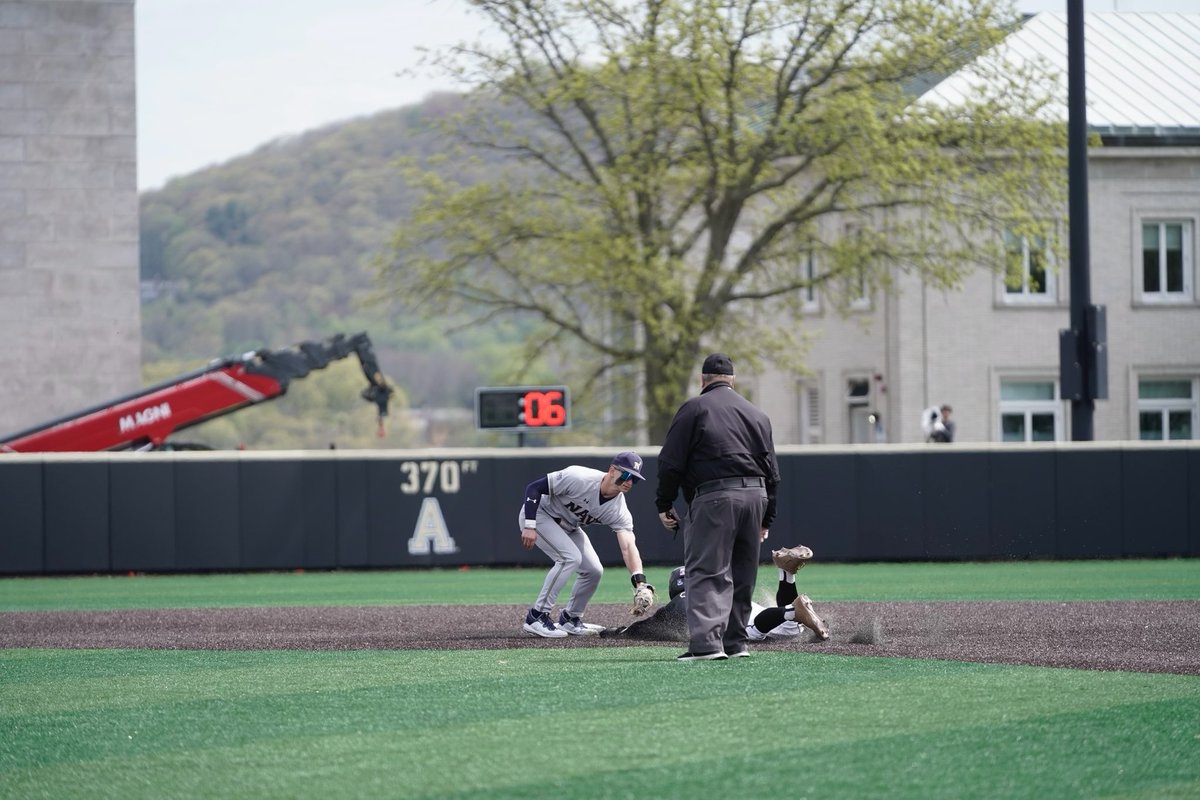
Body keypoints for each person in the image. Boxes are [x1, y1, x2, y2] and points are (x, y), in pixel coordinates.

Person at [655, 353, 782, 661]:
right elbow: (773, 473)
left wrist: (664, 502)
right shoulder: (757, 414)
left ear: (703, 380)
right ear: (732, 380)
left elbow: (670, 463)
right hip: (756, 496)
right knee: (743, 572)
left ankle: (707, 646)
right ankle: (736, 643)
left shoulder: (694, 408)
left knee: (707, 571)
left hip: (714, 497)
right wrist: (767, 517)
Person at [519, 451, 653, 638]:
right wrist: (530, 525)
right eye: (627, 474)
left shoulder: (618, 510)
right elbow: (534, 488)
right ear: (612, 470)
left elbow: (628, 546)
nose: (629, 481)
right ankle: (537, 616)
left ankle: (570, 618)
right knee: (570, 558)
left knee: (593, 570)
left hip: (569, 526)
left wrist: (640, 583)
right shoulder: (579, 477)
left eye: (635, 479)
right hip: (540, 515)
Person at [601, 548, 829, 643]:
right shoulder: (718, 585)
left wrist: (614, 632)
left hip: (737, 617)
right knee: (790, 629)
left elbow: (643, 628)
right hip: (745, 605)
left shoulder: (681, 601)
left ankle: (791, 610)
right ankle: (787, 576)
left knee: (749, 632)